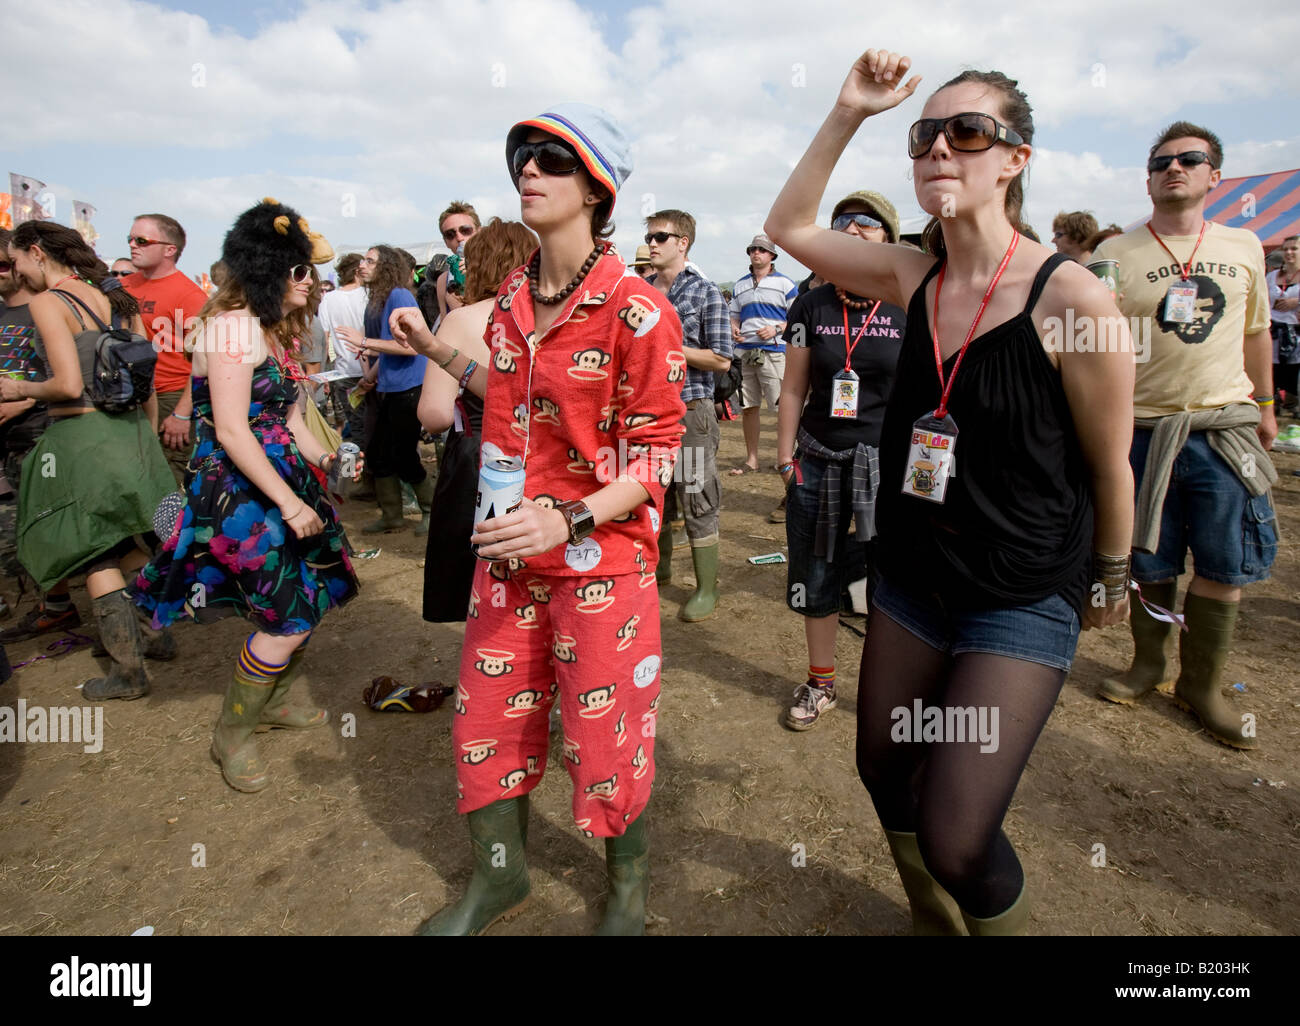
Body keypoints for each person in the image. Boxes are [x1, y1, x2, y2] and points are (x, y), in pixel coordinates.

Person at [766, 48, 1135, 935]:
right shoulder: (908, 275)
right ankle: (932, 921)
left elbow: (1109, 463)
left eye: (967, 133)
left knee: (959, 834)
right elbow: (790, 225)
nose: (939, 148)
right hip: (914, 579)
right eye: (927, 134)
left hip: (1020, 592)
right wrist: (852, 109)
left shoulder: (1071, 299)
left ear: (1015, 159)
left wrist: (1114, 572)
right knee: (884, 770)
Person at [393, 103, 685, 936]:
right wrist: (441, 352)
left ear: (597, 189)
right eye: (521, 154)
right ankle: (501, 880)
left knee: (606, 739)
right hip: (507, 554)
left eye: (553, 158)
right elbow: (513, 406)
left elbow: (658, 455)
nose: (529, 169)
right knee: (486, 722)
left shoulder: (639, 310)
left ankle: (627, 889)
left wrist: (569, 518)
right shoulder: (515, 295)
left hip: (602, 562)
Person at [130, 199, 360, 791]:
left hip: (277, 477)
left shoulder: (262, 328)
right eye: (305, 271)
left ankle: (277, 704)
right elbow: (232, 430)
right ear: (277, 272)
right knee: (285, 616)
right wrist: (288, 502)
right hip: (243, 495)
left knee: (306, 598)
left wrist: (324, 457)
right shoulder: (233, 327)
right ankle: (230, 736)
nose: (312, 284)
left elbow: (287, 420)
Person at [1094, 123, 1277, 750]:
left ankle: (1202, 686)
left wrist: (1269, 404)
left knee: (1225, 563)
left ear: (1213, 174)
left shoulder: (1245, 244)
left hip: (1224, 428)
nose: (1175, 168)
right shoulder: (1115, 252)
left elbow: (1257, 333)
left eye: (1190, 160)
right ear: (1148, 177)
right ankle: (1147, 665)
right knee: (1149, 559)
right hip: (1142, 430)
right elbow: (1094, 344)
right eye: (1162, 161)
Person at [2, 221, 177, 701]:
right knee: (129, 541)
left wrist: (19, 388)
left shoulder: (48, 302)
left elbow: (66, 385)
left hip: (82, 435)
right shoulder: (117, 300)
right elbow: (147, 378)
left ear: (37, 252)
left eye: (16, 260)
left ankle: (128, 672)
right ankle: (157, 635)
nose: (16, 272)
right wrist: (146, 438)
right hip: (131, 431)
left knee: (95, 550)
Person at [775, 189, 907, 730]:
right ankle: (821, 682)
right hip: (819, 458)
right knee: (817, 572)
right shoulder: (810, 304)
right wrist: (786, 458)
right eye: (844, 221)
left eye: (870, 223)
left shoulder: (909, 301)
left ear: (890, 239)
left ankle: (886, 691)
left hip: (889, 464)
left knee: (892, 579)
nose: (855, 229)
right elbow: (792, 388)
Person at [398, 219, 538, 624]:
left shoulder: (460, 321)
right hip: (543, 458)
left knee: (481, 582)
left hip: (480, 462)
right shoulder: (549, 316)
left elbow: (436, 416)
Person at [644, 208, 732, 621]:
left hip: (690, 413)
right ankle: (656, 572)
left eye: (662, 236)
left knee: (697, 498)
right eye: (650, 236)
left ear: (683, 243)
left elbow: (720, 359)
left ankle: (705, 589)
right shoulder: (639, 291)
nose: (652, 243)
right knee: (651, 494)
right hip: (645, 415)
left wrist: (669, 348)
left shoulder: (705, 293)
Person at [337, 246, 431, 533]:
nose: (362, 266)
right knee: (378, 453)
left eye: (369, 261)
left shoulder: (399, 295)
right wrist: (372, 378)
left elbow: (413, 347)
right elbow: (390, 351)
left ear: (386, 266)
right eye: (362, 260)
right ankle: (392, 515)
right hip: (390, 388)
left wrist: (364, 342)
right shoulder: (376, 299)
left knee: (404, 454)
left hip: (410, 387)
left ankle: (430, 511)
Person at [122, 214, 210, 487]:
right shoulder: (123, 286)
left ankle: (169, 531)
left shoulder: (190, 295)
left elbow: (203, 360)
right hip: (127, 394)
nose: (133, 245)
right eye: (130, 239)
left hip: (169, 396)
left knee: (168, 479)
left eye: (142, 240)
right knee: (131, 474)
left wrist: (182, 413)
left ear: (170, 249)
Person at [0, 228, 53, 623]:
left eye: (3, 264)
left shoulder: (45, 309)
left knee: (40, 524)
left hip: (37, 433)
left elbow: (72, 376)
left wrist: (26, 397)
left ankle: (53, 605)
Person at [728, 233, 799, 476]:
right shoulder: (740, 285)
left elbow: (799, 320)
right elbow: (734, 314)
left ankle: (787, 459)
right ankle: (752, 459)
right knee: (749, 407)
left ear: (772, 256)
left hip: (775, 353)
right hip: (745, 352)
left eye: (761, 250)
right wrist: (734, 328)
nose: (756, 253)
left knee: (782, 409)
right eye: (752, 249)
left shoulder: (786, 284)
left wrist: (777, 328)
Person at [317, 252, 369, 438]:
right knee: (373, 424)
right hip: (370, 370)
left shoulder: (328, 300)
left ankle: (363, 464)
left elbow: (324, 337)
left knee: (356, 427)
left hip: (343, 372)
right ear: (357, 271)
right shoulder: (367, 294)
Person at [1267, 235, 1299, 416]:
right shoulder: (1272, 276)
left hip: (1296, 333)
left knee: (1293, 373)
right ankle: (1274, 403)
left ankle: (1292, 404)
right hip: (1273, 332)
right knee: (1272, 371)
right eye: (1285, 249)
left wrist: (1296, 302)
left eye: (1294, 248)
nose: (1289, 252)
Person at [436, 202, 481, 321]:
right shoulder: (443, 280)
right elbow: (444, 322)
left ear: (479, 232)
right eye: (450, 234)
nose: (459, 238)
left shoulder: (496, 269)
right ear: (445, 242)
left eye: (465, 230)